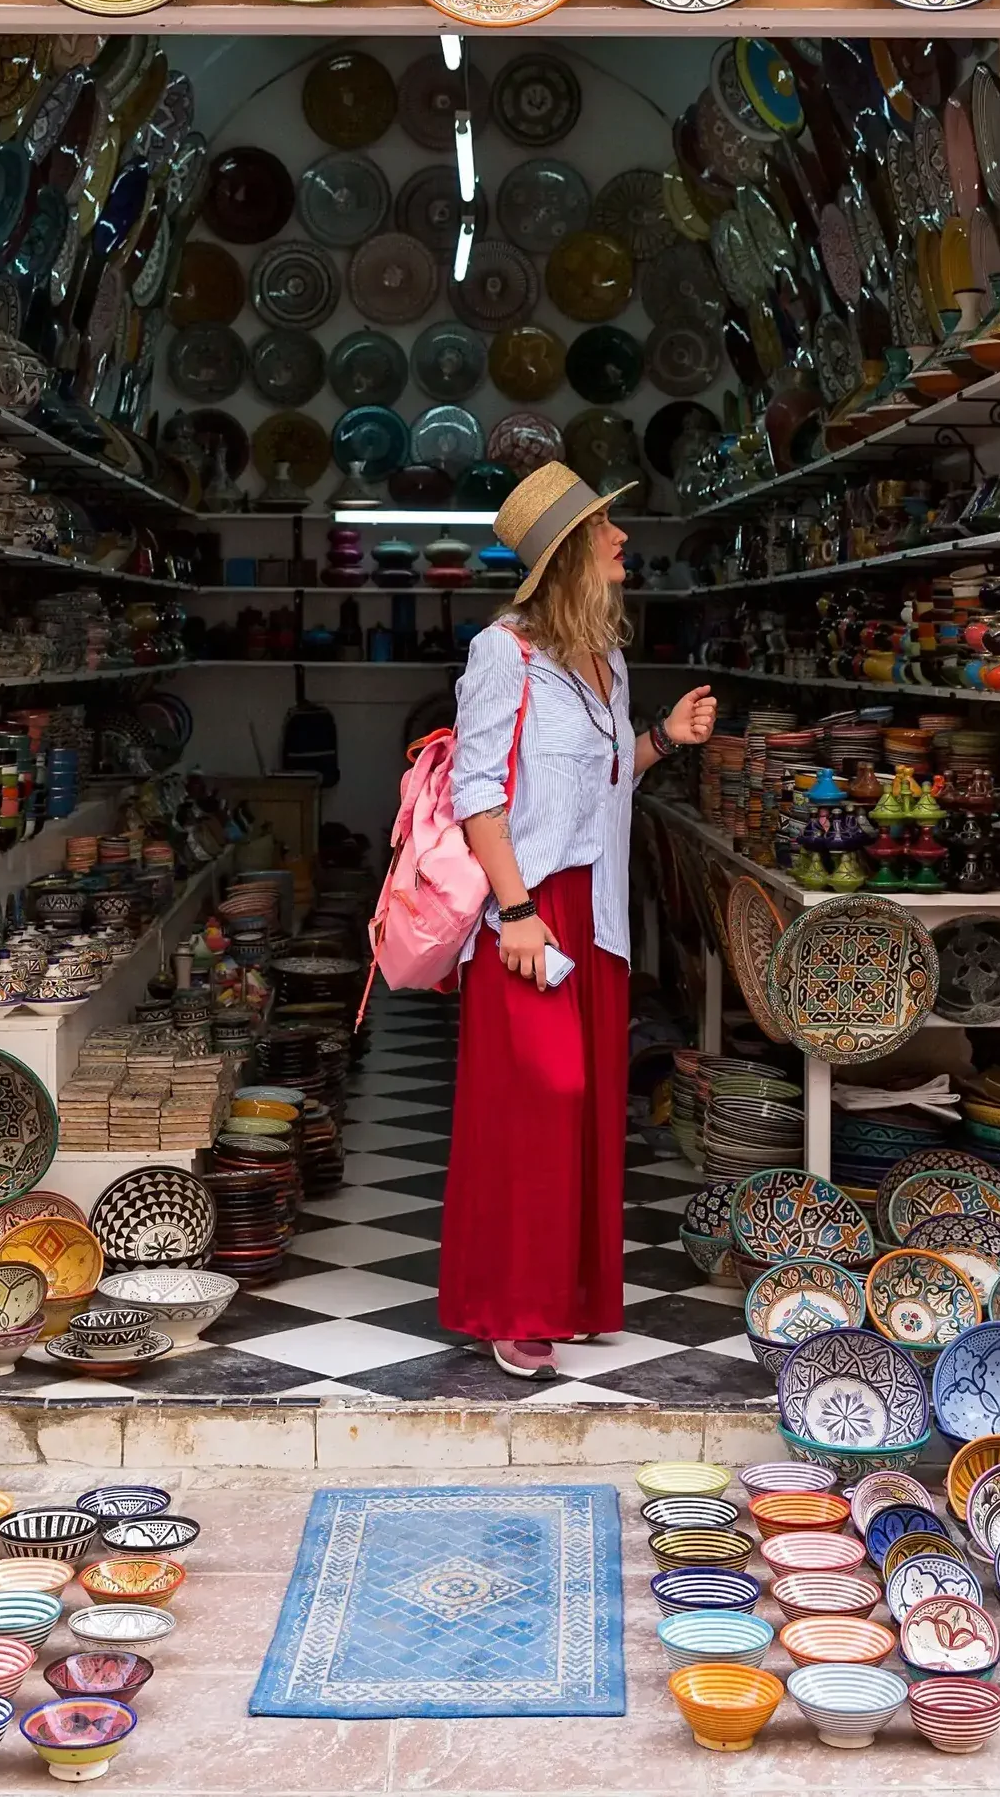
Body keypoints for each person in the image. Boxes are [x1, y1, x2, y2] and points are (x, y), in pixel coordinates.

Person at [440, 464, 716, 1381]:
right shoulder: (503, 654)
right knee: (538, 1101)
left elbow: (602, 777)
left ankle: (575, 1301)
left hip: (596, 913)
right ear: (568, 556)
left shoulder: (607, 659)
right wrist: (514, 911)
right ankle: (511, 1306)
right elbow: (477, 795)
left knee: (590, 1106)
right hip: (531, 908)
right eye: (606, 529)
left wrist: (663, 737)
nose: (622, 540)